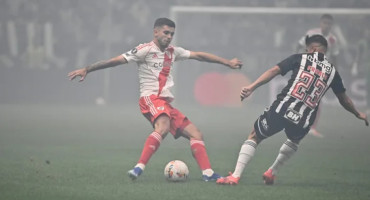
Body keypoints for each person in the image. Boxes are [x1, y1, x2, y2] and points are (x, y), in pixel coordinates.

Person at [68, 17, 242, 181]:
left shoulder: (174, 52)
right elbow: (115, 61)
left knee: (196, 134)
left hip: (165, 103)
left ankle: (208, 173)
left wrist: (227, 62)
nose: (169, 37)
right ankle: (138, 168)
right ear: (156, 32)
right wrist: (87, 69)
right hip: (150, 99)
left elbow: (199, 56)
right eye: (166, 33)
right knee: (163, 126)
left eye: (172, 34)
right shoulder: (144, 50)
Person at [216, 35, 368, 185]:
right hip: (305, 117)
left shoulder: (300, 58)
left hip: (283, 107)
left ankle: (235, 176)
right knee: (294, 140)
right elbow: (344, 99)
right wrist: (357, 113)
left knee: (255, 136)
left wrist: (252, 87)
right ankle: (272, 172)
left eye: (307, 49)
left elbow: (274, 71)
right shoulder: (333, 72)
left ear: (313, 48)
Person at [296, 14, 340, 137]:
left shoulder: (332, 40)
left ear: (331, 25)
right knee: (301, 96)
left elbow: (335, 56)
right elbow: (299, 45)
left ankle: (312, 127)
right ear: (320, 23)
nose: (326, 25)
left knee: (316, 99)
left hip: (321, 72)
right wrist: (298, 61)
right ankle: (296, 121)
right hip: (308, 69)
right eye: (325, 23)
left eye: (329, 23)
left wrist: (334, 73)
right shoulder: (311, 33)